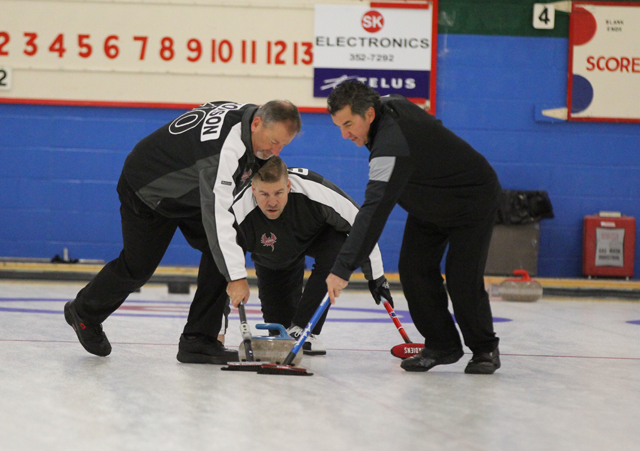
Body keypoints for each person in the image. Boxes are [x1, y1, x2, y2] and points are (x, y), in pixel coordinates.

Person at [63, 100, 301, 364]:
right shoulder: (225, 150)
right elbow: (218, 215)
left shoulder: (250, 116)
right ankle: (84, 313)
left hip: (186, 188)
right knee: (137, 268)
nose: (275, 151)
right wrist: (236, 277)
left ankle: (199, 340)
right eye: (273, 141)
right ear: (257, 123)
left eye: (283, 145)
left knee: (229, 245)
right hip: (147, 188)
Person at [325, 81, 502, 374]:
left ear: (369, 114)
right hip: (429, 202)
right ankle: (441, 345)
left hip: (471, 200)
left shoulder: (391, 145)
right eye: (339, 126)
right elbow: (434, 128)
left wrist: (343, 268)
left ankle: (484, 349)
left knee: (462, 278)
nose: (345, 135)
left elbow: (374, 211)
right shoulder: (388, 106)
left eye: (348, 124)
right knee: (413, 269)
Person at [231, 156, 392, 355]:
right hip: (273, 258)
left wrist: (376, 277)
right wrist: (219, 328)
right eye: (264, 194)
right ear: (253, 189)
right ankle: (292, 328)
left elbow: (363, 228)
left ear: (288, 185)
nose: (272, 202)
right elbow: (220, 255)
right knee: (279, 328)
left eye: (279, 192)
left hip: (317, 238)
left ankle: (304, 329)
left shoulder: (315, 191)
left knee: (340, 249)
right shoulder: (238, 210)